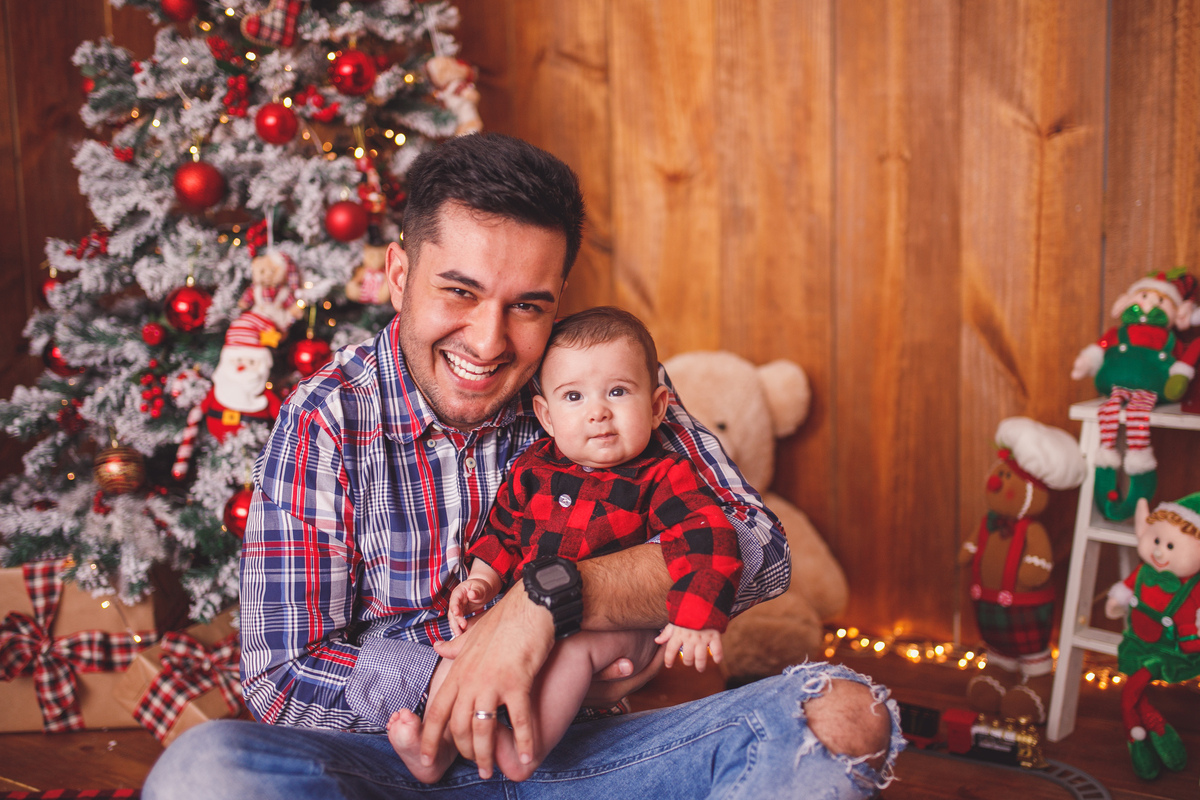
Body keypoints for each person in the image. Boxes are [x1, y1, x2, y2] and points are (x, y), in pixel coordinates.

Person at [143, 133, 902, 799]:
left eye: (527, 306)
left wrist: (546, 604)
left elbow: (759, 549)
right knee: (202, 772)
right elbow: (282, 682)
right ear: (400, 273)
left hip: (596, 757)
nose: (488, 340)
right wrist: (468, 679)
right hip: (397, 768)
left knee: (842, 713)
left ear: (558, 297)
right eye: (460, 292)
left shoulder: (592, 385)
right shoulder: (326, 420)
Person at [389, 306, 743, 782]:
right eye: (573, 396)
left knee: (570, 654)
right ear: (547, 416)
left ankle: (521, 753)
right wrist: (480, 579)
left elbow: (711, 537)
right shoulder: (533, 469)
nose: (598, 411)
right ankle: (436, 750)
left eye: (617, 392)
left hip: (615, 629)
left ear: (658, 406)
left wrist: (695, 616)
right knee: (473, 645)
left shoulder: (663, 475)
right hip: (527, 616)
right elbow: (503, 533)